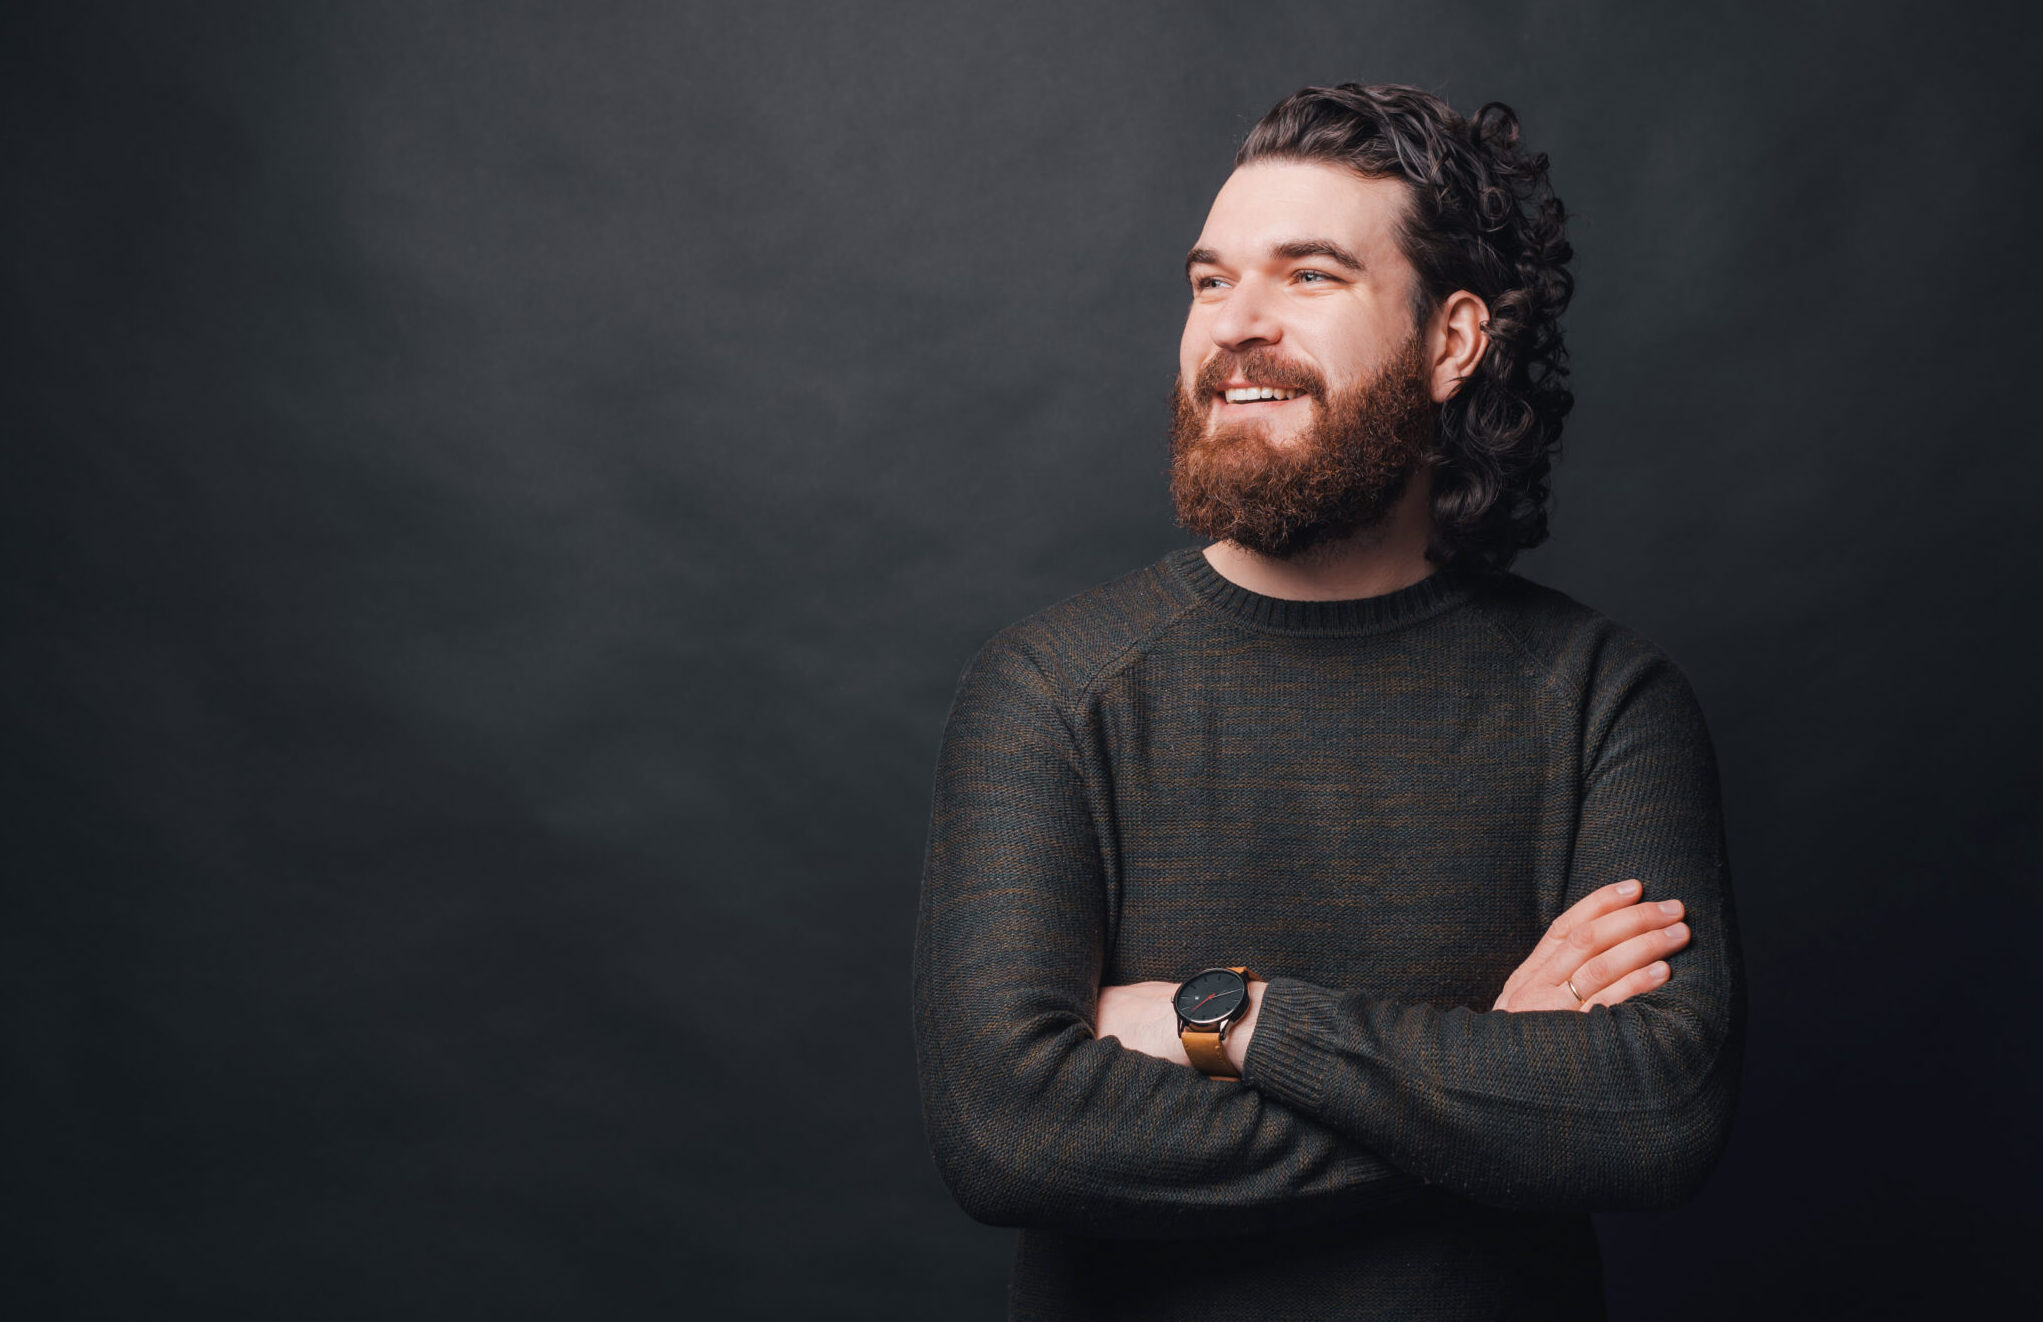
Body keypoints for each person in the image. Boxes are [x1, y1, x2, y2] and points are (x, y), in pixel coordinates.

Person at [911, 82, 1744, 1321]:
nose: (1235, 325)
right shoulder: (1049, 693)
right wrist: (1498, 1096)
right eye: (1208, 281)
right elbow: (1008, 1131)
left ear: (1451, 342)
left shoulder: (1606, 703)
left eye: (1308, 277)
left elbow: (1651, 1115)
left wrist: (1234, 1019)